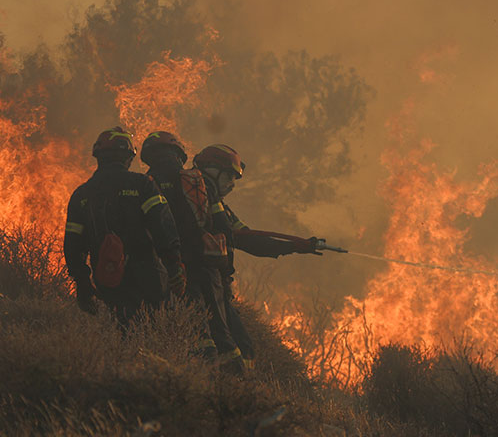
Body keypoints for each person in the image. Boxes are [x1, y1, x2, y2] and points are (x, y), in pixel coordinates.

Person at [193, 144, 324, 370]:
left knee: (239, 348)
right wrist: (296, 247)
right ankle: (231, 394)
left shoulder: (216, 207)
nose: (231, 185)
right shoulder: (205, 204)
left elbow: (250, 239)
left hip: (212, 287)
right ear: (213, 170)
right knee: (235, 350)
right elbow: (250, 241)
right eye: (228, 177)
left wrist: (296, 246)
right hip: (204, 287)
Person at [140, 131, 243, 371]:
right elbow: (223, 228)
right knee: (221, 331)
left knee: (193, 328)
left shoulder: (145, 184)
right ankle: (237, 387)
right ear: (179, 154)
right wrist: (226, 273)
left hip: (170, 269)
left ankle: (201, 378)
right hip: (206, 267)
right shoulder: (197, 181)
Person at [63, 127, 186, 324]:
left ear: (98, 157)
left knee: (120, 331)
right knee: (154, 330)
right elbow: (162, 225)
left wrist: (83, 284)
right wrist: (174, 265)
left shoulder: (81, 195)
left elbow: (73, 246)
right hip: (149, 277)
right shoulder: (142, 184)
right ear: (128, 157)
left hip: (108, 278)